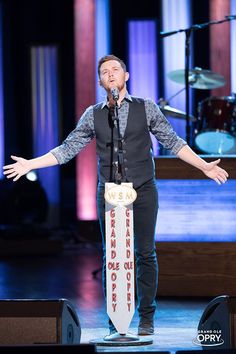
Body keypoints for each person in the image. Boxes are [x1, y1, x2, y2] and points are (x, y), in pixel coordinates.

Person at [3, 54, 228, 336]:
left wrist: (204, 165)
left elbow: (173, 141)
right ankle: (116, 322)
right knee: (113, 257)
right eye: (104, 72)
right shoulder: (93, 113)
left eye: (115, 70)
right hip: (110, 191)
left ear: (126, 76)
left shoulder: (146, 108)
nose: (110, 74)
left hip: (144, 188)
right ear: (100, 80)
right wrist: (31, 164)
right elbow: (67, 148)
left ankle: (147, 317)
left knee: (145, 253)